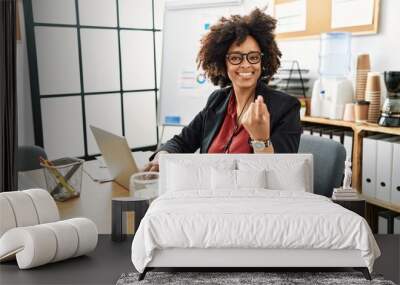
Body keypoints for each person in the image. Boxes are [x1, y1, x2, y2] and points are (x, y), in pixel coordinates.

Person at [145, 9, 301, 172]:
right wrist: (161, 157)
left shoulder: (285, 107)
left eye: (253, 57)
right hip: (209, 192)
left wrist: (261, 139)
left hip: (253, 196)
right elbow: (182, 142)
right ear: (222, 63)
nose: (246, 64)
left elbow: (282, 175)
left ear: (262, 61)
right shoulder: (217, 100)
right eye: (235, 58)